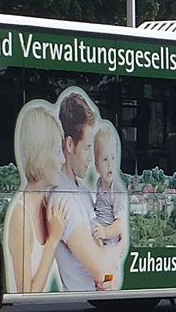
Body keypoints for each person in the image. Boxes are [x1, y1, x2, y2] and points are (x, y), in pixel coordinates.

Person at [51, 88, 124, 291]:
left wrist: (111, 273)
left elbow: (108, 272)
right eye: (87, 148)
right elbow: (102, 272)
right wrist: (119, 248)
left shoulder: (81, 191)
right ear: (70, 145)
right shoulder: (63, 199)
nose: (91, 158)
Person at [5, 102, 69, 293]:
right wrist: (53, 242)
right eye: (58, 151)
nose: (63, 160)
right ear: (41, 155)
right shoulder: (21, 216)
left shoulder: (46, 206)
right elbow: (27, 293)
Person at [91, 120, 128, 250]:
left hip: (110, 243)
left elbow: (120, 224)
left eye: (113, 158)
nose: (109, 164)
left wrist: (106, 233)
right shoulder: (99, 184)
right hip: (100, 235)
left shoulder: (116, 190)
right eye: (105, 159)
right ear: (96, 166)